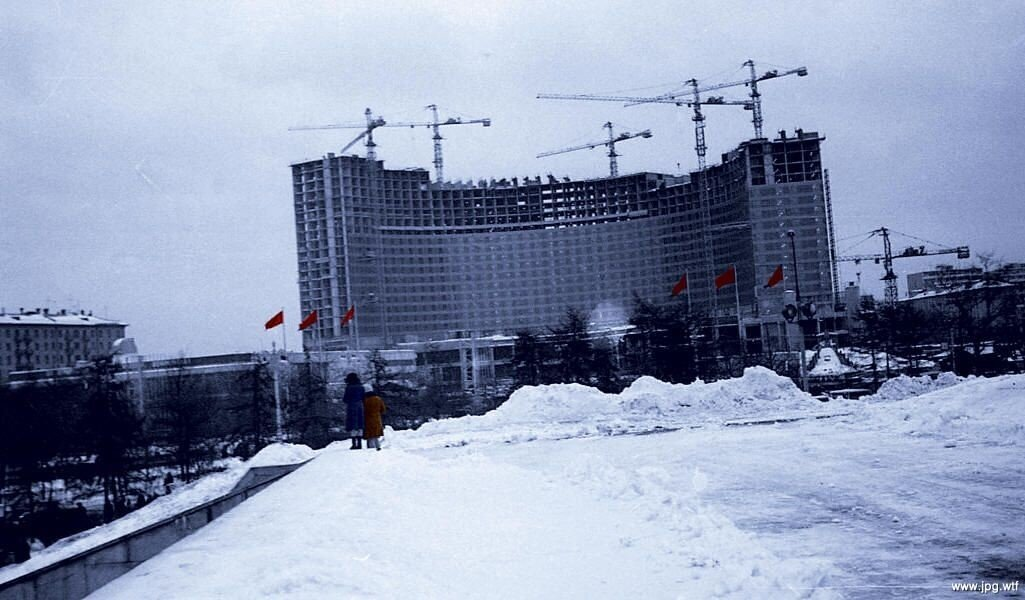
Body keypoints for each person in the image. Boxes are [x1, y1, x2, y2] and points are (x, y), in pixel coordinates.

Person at [343, 372, 366, 449]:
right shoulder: (361, 387)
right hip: (360, 406)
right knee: (360, 424)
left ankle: (354, 444)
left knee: (353, 425)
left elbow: (345, 399)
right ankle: (359, 444)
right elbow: (364, 397)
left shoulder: (349, 387)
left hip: (351, 406)